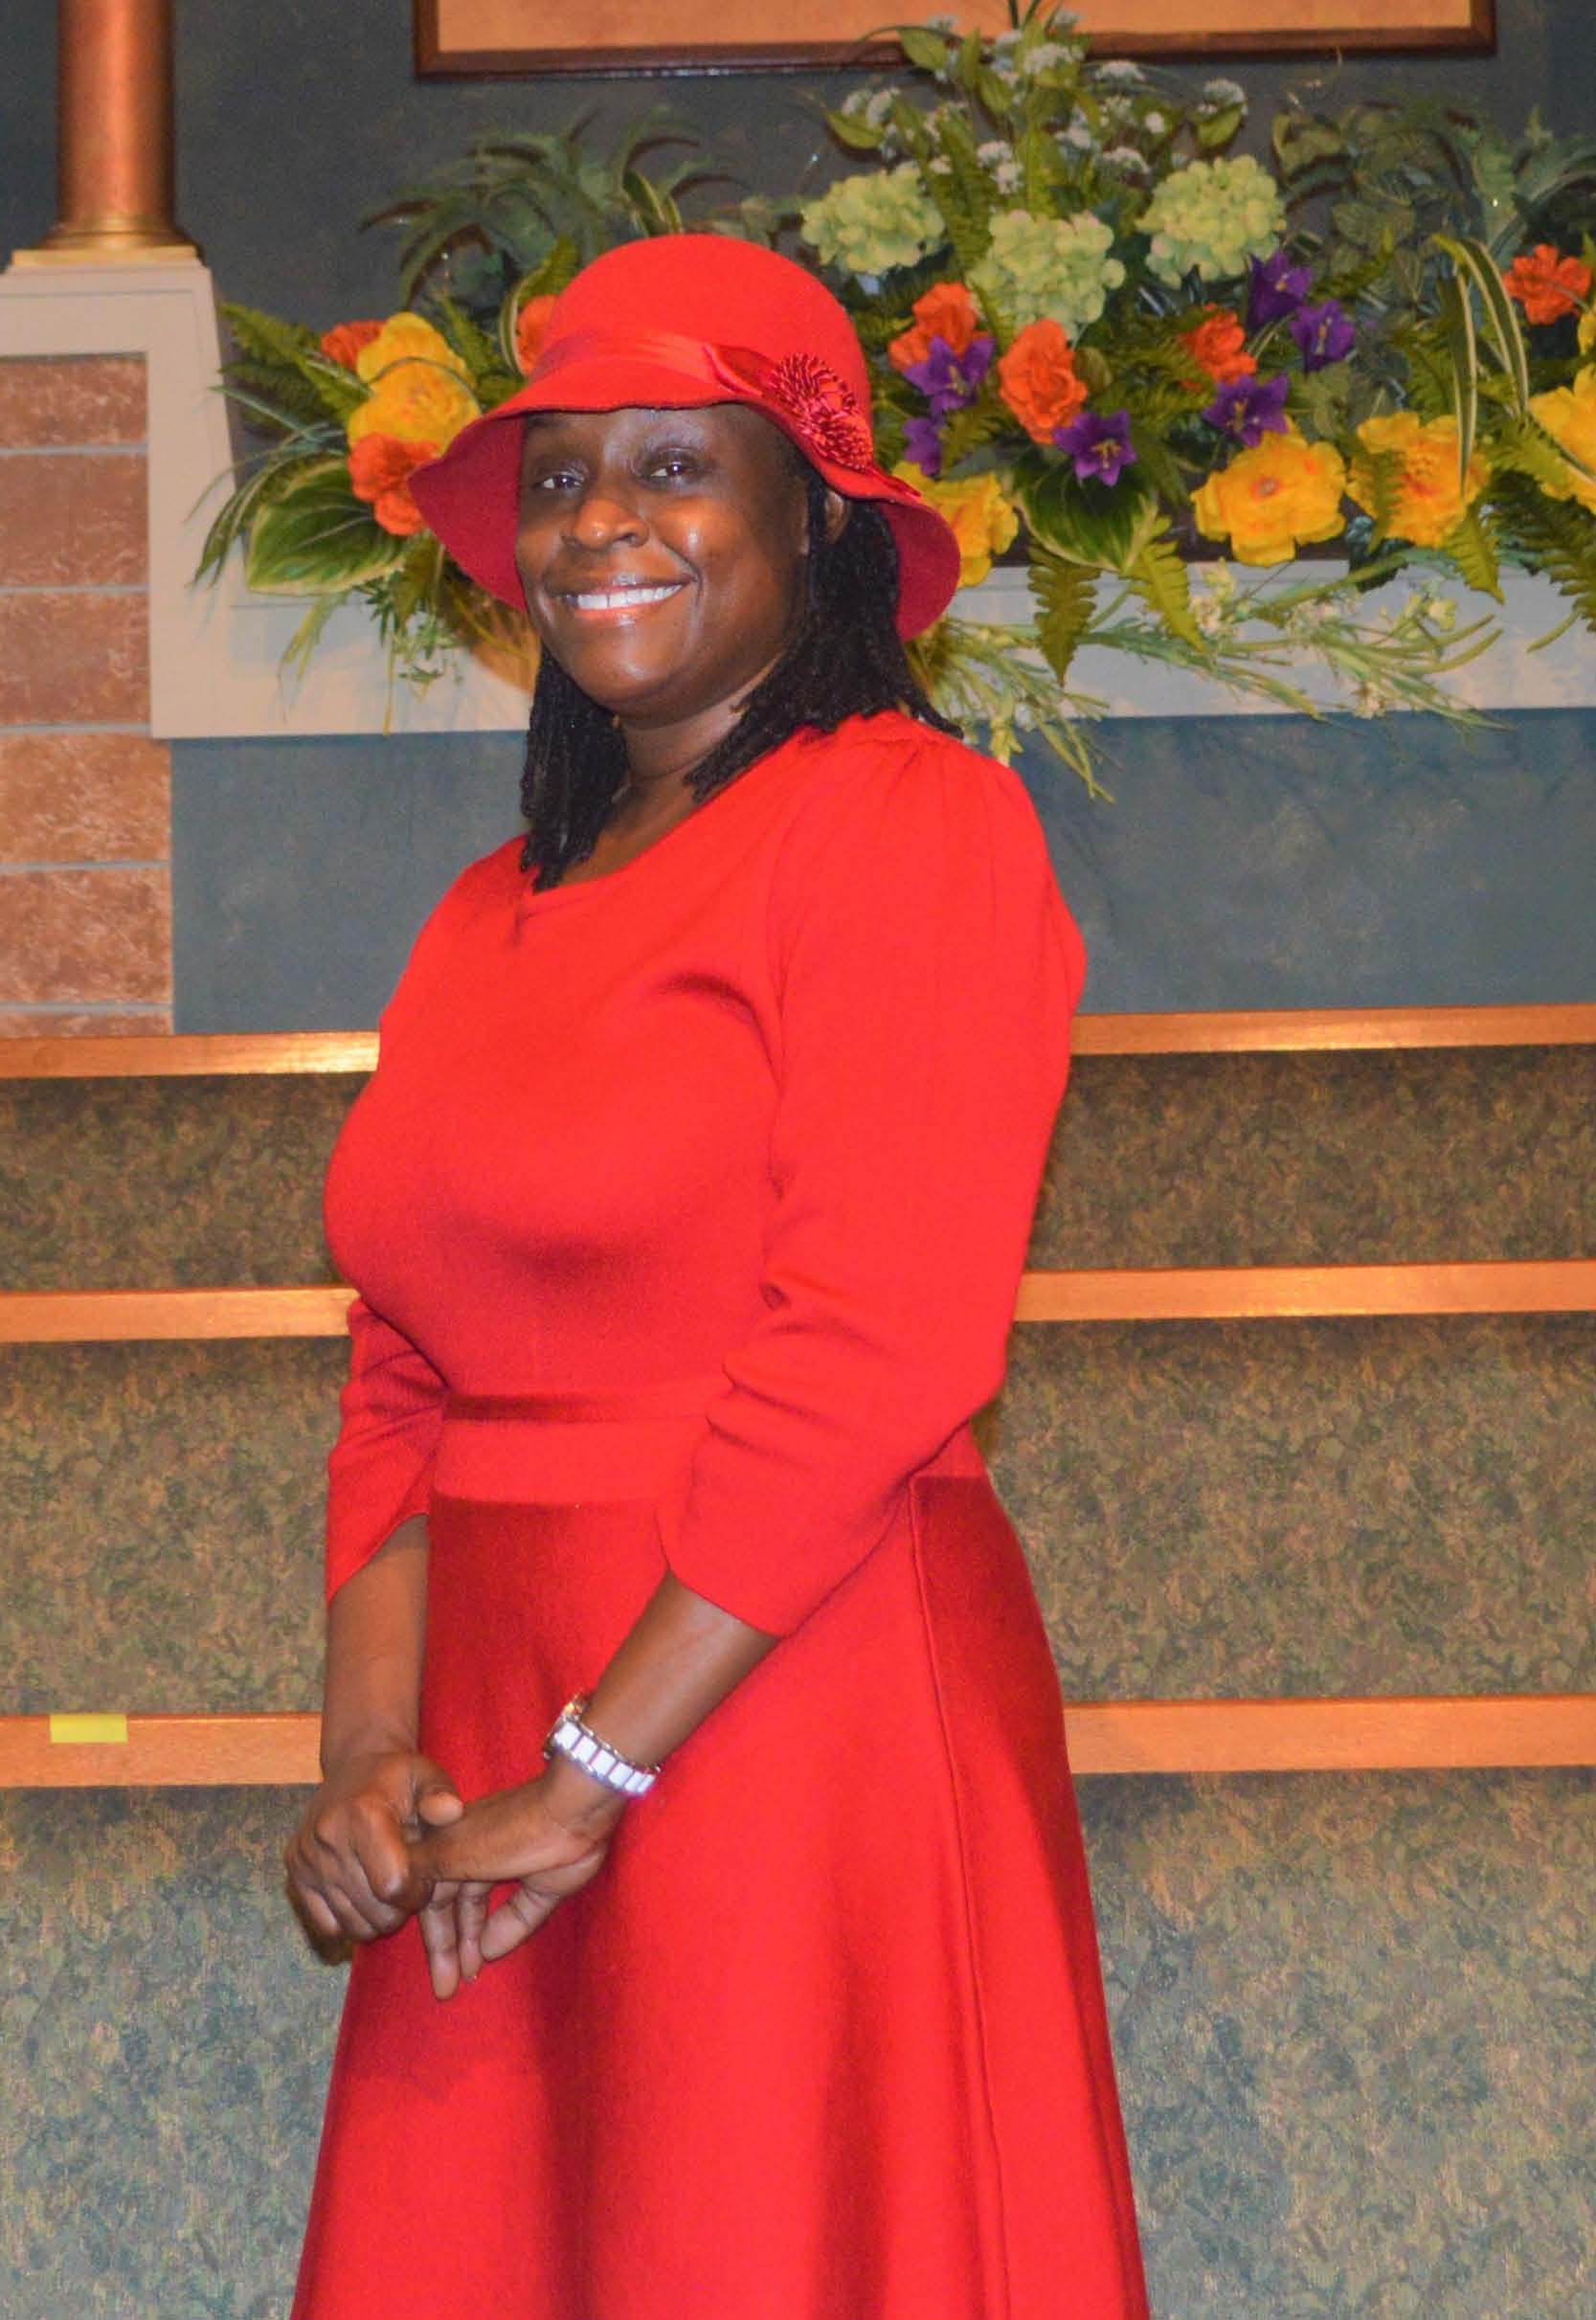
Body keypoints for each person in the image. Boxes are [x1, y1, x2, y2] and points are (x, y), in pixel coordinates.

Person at [283, 234, 1150, 2319]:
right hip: (501, 1730)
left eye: (675, 467)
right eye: (560, 479)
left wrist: (598, 1771)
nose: (600, 523)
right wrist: (371, 1752)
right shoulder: (485, 908)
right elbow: (405, 1369)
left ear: (818, 523)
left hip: (786, 1704)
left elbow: (883, 1350)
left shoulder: (910, 826)